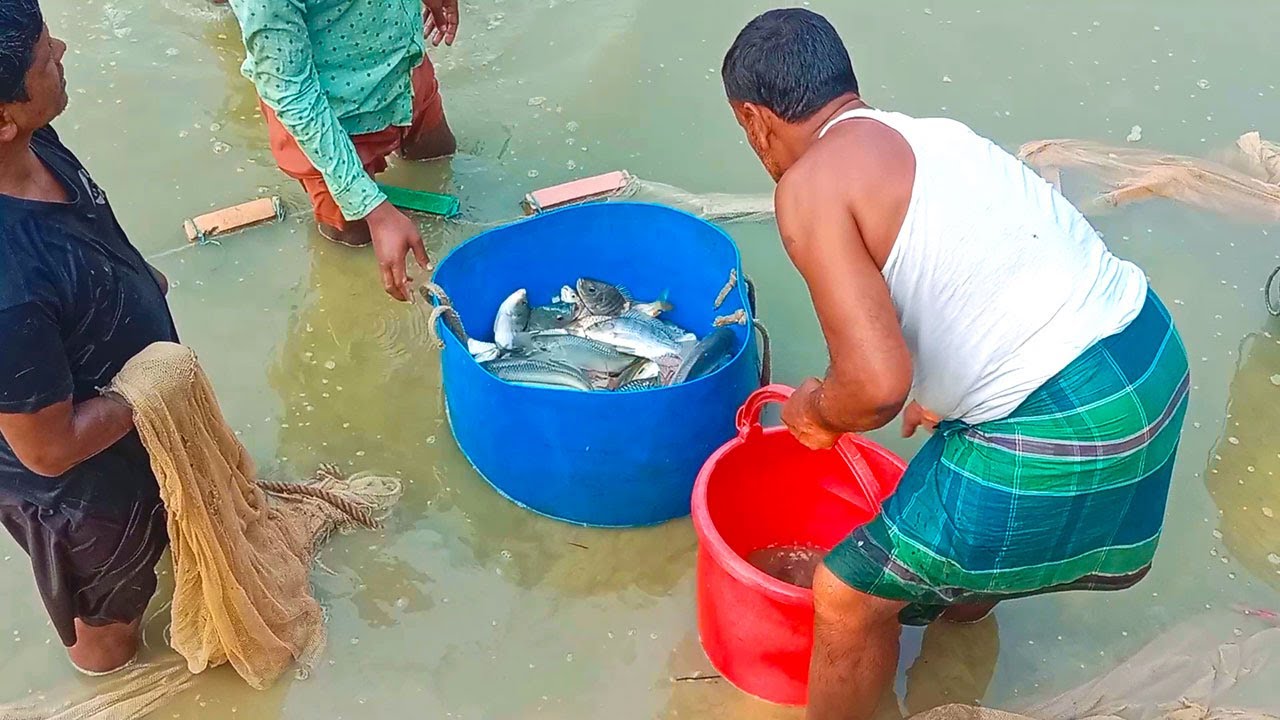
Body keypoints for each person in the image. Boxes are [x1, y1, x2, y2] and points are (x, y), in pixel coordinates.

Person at [721, 9, 1190, 720]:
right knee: (960, 518)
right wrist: (947, 385)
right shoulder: (936, 137)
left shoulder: (810, 185)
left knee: (844, 598)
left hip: (1068, 420)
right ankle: (957, 642)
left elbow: (876, 387)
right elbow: (995, 272)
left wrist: (813, 412)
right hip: (1149, 359)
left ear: (755, 120)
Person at [0, 2, 178, 675]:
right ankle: (113, 679)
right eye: (46, 57)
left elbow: (79, 229)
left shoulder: (31, 141)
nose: (65, 51)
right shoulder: (8, 291)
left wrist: (132, 277)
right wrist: (158, 382)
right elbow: (49, 451)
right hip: (81, 498)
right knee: (106, 621)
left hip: (121, 420)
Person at [226, 0, 461, 301]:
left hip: (405, 75)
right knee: (352, 246)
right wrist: (373, 208)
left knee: (439, 157)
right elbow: (291, 93)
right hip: (330, 124)